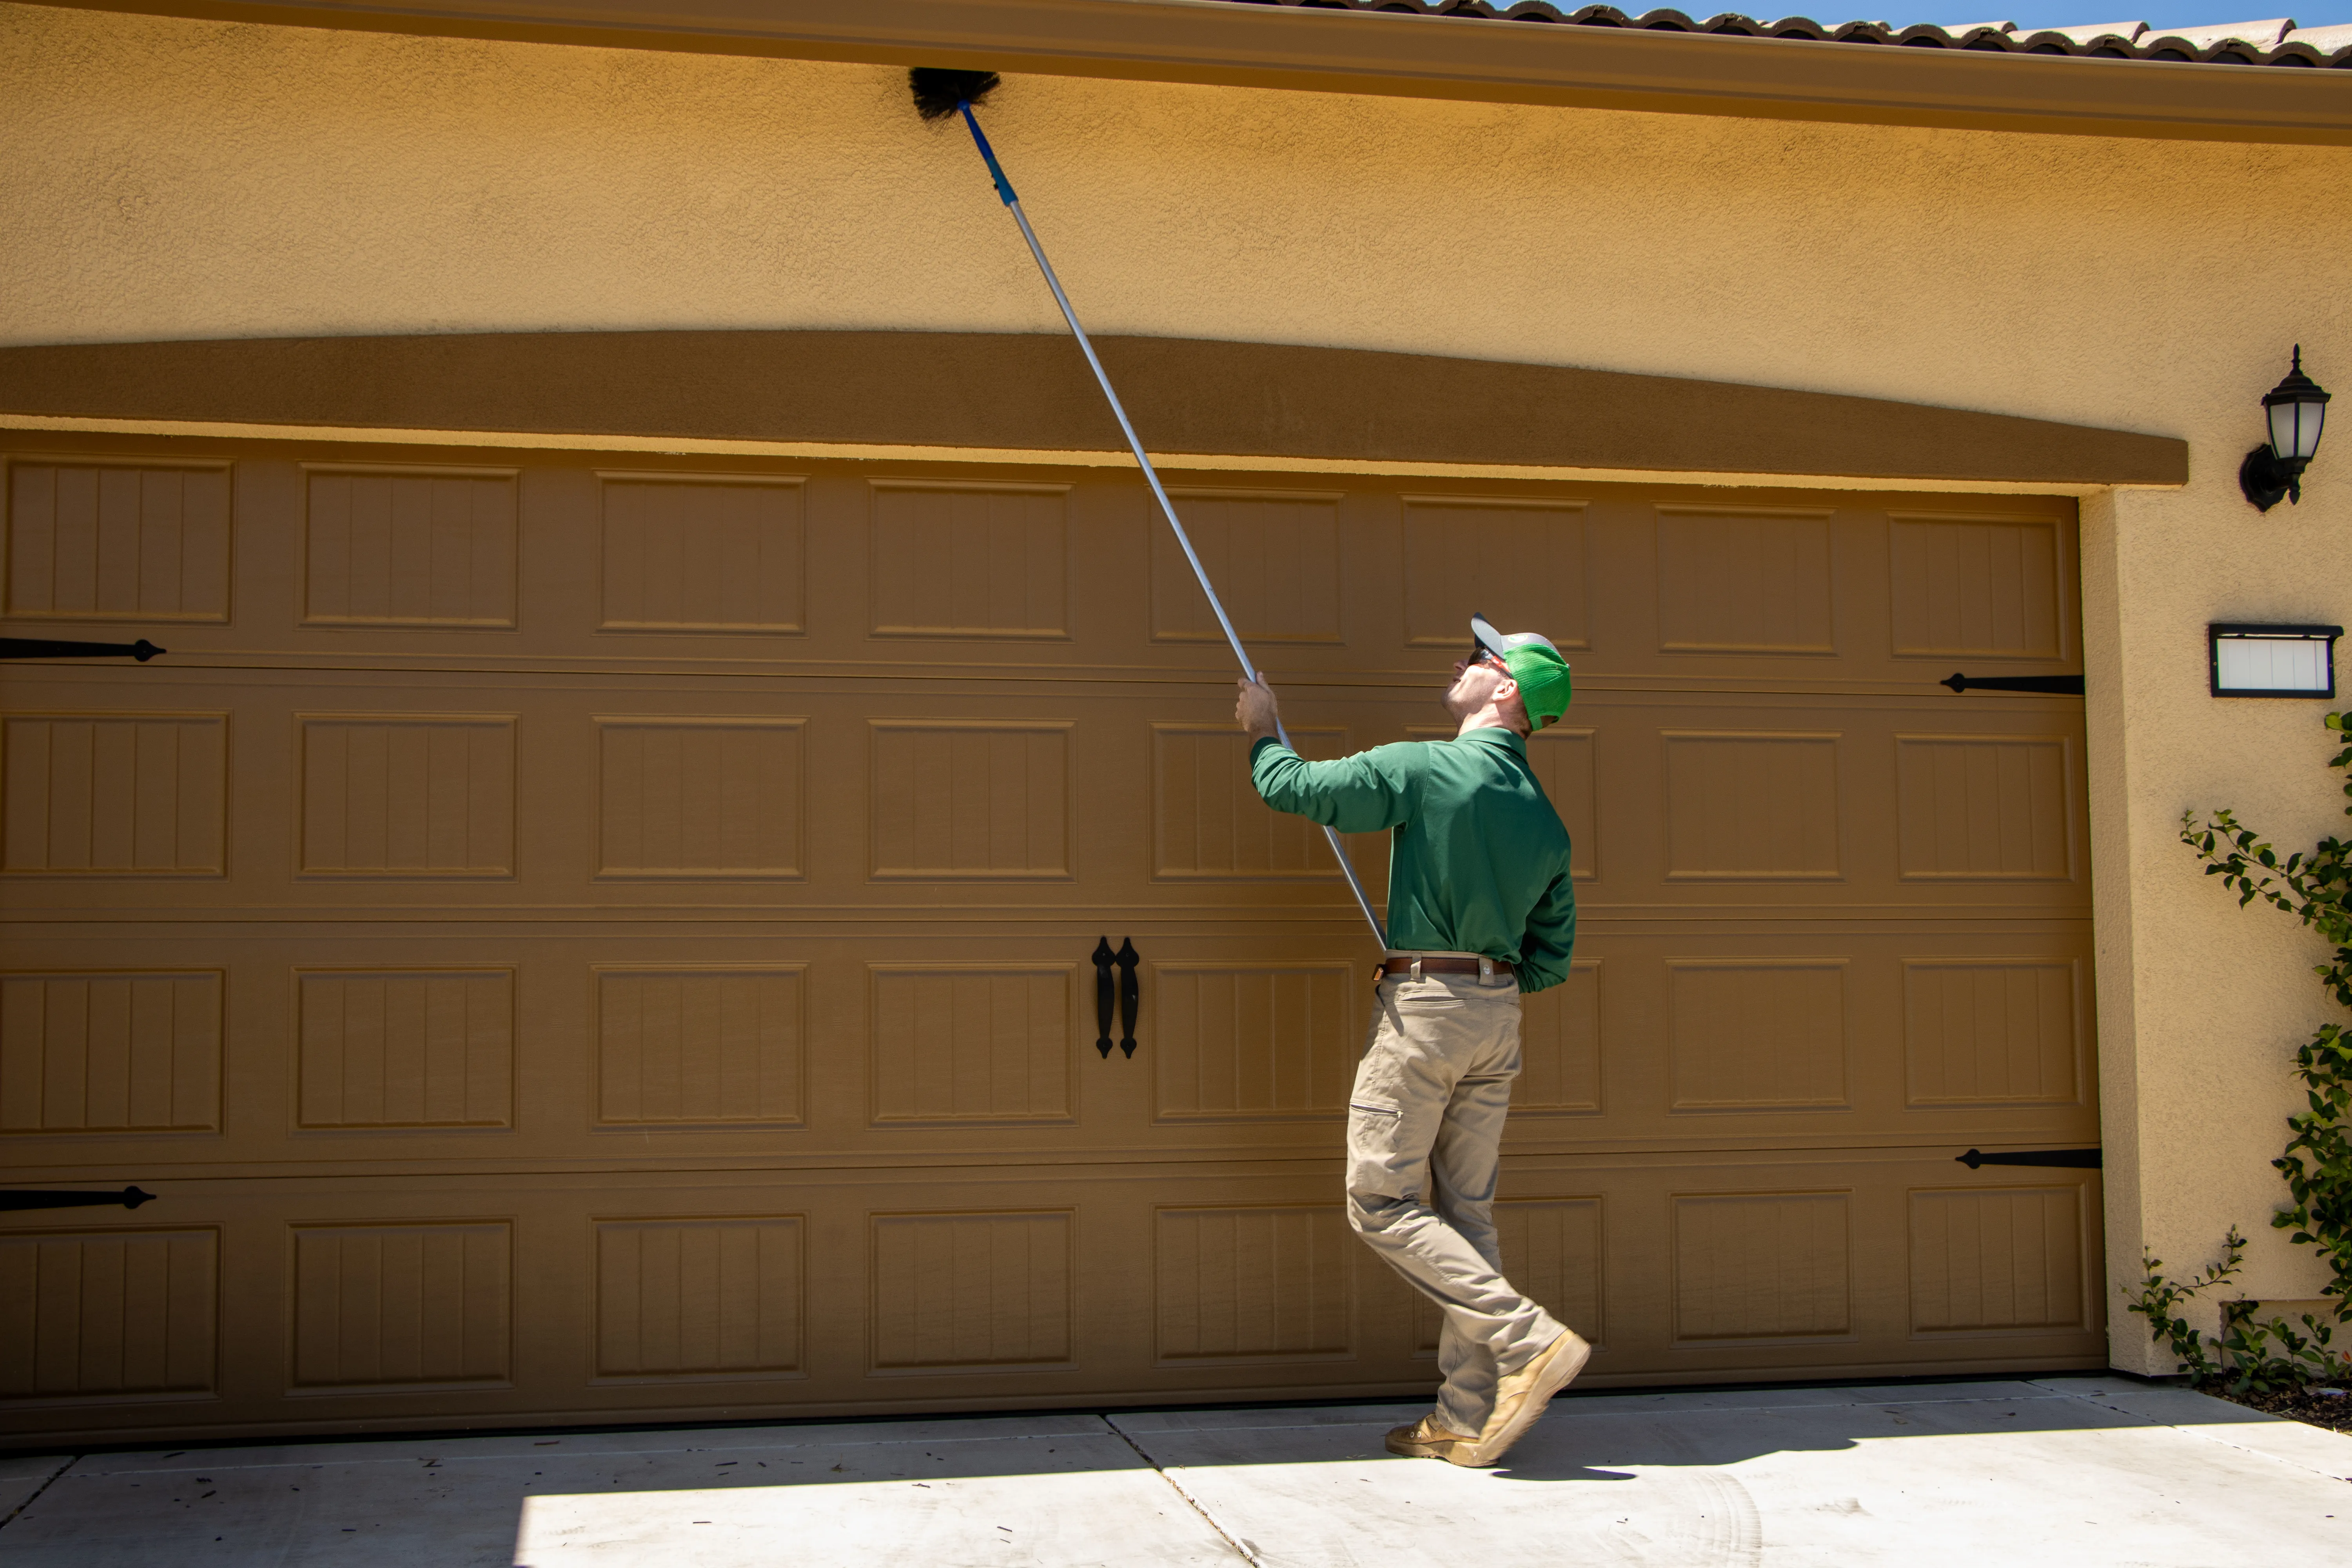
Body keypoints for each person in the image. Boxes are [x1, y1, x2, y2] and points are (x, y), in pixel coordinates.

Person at [1234, 613, 1585, 1468]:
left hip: (1426, 1009)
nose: (1463, 662)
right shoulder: (1545, 819)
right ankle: (1465, 1418)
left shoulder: (1429, 766)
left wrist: (1260, 732)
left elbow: (1298, 789)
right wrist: (1487, 981)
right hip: (1495, 1015)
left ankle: (1527, 1336)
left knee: (1380, 1201)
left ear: (1507, 689)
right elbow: (1553, 953)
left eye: (1480, 658)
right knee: (1467, 1213)